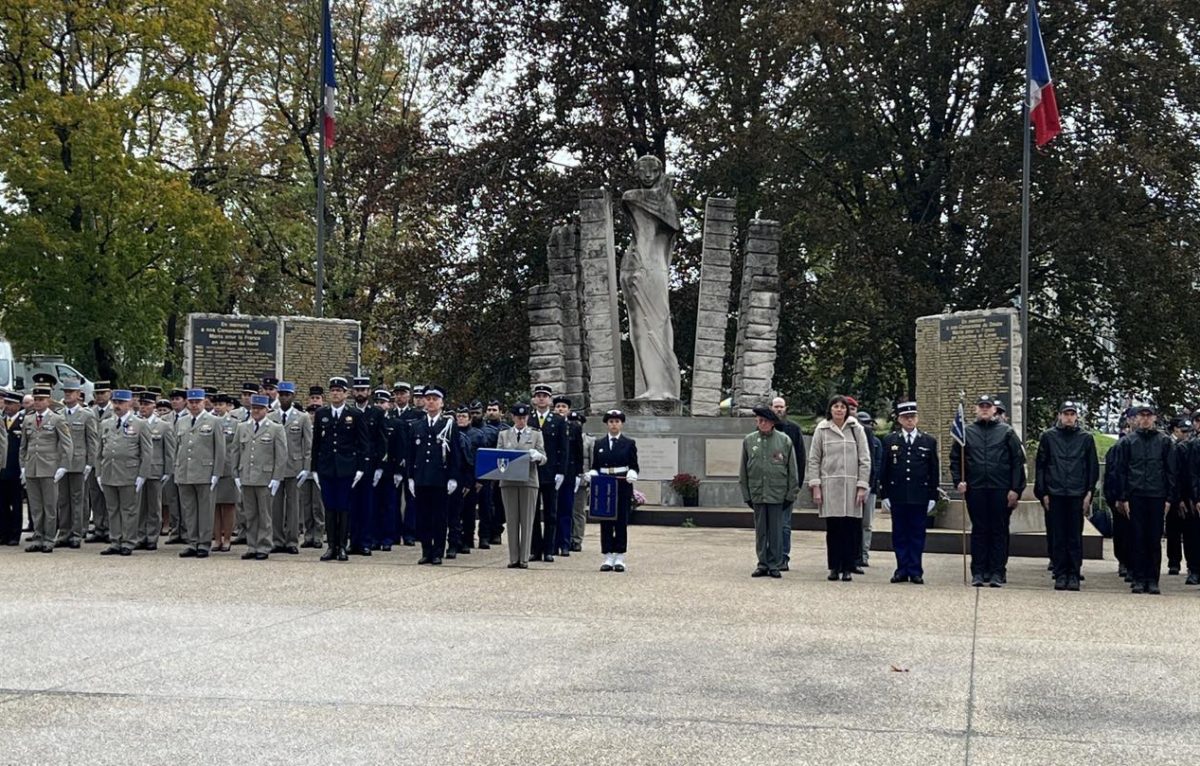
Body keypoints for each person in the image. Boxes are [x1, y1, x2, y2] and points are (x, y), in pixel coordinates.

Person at [949, 395, 1026, 587]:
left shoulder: (1006, 432)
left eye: (988, 406)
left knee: (999, 531)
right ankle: (979, 571)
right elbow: (956, 459)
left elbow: (1017, 462)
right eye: (981, 406)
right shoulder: (967, 432)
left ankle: (997, 572)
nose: (984, 409)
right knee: (979, 530)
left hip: (1000, 489)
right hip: (976, 489)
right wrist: (958, 481)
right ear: (976, 409)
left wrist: (1016, 489)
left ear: (994, 410)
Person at [1034, 401, 1100, 591]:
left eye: (1072, 414)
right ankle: (1060, 573)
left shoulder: (1085, 438)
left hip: (1076, 493)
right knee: (1058, 536)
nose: (1069, 417)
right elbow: (1041, 466)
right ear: (1060, 416)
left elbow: (1092, 468)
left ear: (1076, 416)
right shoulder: (1048, 437)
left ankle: (1074, 573)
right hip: (1055, 493)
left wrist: (1089, 493)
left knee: (1074, 536)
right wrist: (1043, 493)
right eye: (1066, 414)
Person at [1111, 403, 1177, 594]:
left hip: (1157, 495)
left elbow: (1171, 471)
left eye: (1149, 415)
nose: (1146, 419)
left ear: (1155, 418)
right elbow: (1120, 471)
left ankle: (1153, 579)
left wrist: (1169, 498)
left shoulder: (1164, 442)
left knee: (1154, 539)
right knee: (1137, 538)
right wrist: (1123, 498)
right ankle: (1139, 578)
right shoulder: (1127, 442)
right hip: (1136, 495)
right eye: (1142, 415)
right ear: (1136, 419)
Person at [806, 395, 871, 581]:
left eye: (843, 407)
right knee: (833, 529)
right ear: (830, 409)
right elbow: (814, 459)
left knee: (850, 528)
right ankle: (834, 567)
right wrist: (815, 486)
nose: (839, 410)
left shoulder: (856, 429)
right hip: (830, 485)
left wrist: (862, 486)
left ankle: (848, 567)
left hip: (851, 486)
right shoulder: (822, 429)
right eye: (836, 406)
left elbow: (865, 459)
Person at [878, 401, 939, 584]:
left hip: (919, 496)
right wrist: (885, 495)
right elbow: (885, 470)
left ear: (917, 418)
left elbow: (933, 470)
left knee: (917, 534)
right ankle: (901, 569)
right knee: (900, 534)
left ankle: (916, 570)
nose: (910, 420)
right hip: (898, 495)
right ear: (899, 419)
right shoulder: (890, 440)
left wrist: (932, 496)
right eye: (906, 417)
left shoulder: (928, 441)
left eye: (912, 417)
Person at [311, 377, 368, 562]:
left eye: (339, 390)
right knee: (329, 507)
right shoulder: (322, 413)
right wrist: (314, 468)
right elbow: (316, 443)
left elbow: (362, 443)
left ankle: (342, 546)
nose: (335, 393)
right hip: (327, 467)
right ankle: (331, 547)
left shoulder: (355, 414)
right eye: (333, 390)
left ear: (346, 393)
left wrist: (361, 468)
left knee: (343, 507)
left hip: (346, 467)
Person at [739, 405, 799, 578]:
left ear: (772, 423)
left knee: (776, 531)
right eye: (759, 421)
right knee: (761, 531)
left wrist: (790, 494)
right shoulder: (749, 440)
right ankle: (762, 563)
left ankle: (775, 563)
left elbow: (792, 470)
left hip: (777, 493)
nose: (762, 423)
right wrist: (746, 495)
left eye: (765, 421)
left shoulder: (784, 440)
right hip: (758, 492)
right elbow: (743, 469)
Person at [406, 385, 459, 565]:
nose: (430, 402)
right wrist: (410, 477)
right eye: (428, 399)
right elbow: (411, 453)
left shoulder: (449, 425)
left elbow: (455, 454)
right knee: (423, 517)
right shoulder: (417, 425)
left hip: (440, 478)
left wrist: (453, 477)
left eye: (434, 399)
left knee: (439, 517)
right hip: (421, 477)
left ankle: (438, 552)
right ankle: (426, 550)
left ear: (441, 403)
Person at [96, 390, 152, 556]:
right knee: (112, 509)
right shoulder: (106, 423)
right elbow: (99, 451)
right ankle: (115, 540)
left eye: (121, 402)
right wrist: (98, 473)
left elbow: (146, 452)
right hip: (109, 472)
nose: (117, 406)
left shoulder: (140, 424)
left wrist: (142, 475)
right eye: (115, 402)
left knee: (129, 510)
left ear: (129, 404)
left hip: (129, 473)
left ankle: (128, 541)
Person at [232, 394, 287, 560]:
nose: (255, 411)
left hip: (265, 477)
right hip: (247, 476)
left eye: (259, 408)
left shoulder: (275, 428)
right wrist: (236, 474)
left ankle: (264, 545)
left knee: (265, 514)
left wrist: (276, 478)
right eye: (253, 408)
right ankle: (252, 545)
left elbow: (281, 455)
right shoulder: (242, 427)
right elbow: (235, 451)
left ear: (267, 410)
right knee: (250, 514)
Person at [587, 409, 641, 572]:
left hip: (622, 483)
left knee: (621, 521)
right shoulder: (599, 444)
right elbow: (595, 465)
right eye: (611, 422)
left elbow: (634, 465)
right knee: (606, 520)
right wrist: (592, 473)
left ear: (621, 424)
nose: (614, 424)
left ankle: (620, 556)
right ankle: (608, 555)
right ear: (607, 424)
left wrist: (633, 473)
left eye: (617, 421)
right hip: (604, 484)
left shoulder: (629, 443)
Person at [21, 385, 73, 553]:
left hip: (50, 467)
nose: (37, 402)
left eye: (41, 400)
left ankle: (49, 538)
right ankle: (38, 536)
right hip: (32, 467)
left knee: (49, 506)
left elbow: (67, 444)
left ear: (48, 401)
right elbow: (24, 445)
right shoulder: (28, 419)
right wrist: (22, 466)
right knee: (35, 506)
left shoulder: (56, 419)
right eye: (35, 399)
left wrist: (64, 465)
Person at [174, 388, 225, 559]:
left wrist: (216, 473)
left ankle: (204, 543)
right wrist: (177, 469)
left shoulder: (214, 421)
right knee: (189, 510)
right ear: (187, 403)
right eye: (191, 402)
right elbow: (178, 447)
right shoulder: (182, 421)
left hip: (205, 472)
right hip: (185, 472)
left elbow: (220, 449)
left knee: (205, 510)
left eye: (197, 402)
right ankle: (192, 542)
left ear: (204, 402)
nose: (194, 405)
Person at [497, 403, 545, 568]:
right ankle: (513, 558)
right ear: (513, 417)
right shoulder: (504, 435)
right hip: (509, 481)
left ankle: (524, 557)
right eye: (518, 417)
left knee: (527, 520)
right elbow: (498, 456)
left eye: (524, 418)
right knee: (511, 520)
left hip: (529, 480)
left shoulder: (536, 434)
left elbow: (544, 457)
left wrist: (538, 456)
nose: (521, 420)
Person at [266, 381, 310, 555]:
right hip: (276, 468)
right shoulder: (271, 417)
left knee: (293, 505)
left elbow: (307, 444)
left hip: (295, 467)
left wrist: (306, 467)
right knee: (275, 506)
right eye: (282, 394)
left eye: (287, 394)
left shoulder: (302, 417)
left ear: (293, 396)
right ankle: (277, 540)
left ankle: (292, 540)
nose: (284, 397)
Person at [56, 378, 99, 549]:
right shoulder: (59, 414)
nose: (67, 395)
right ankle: (64, 531)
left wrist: (90, 462)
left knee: (77, 498)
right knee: (63, 499)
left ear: (78, 395)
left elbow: (92, 441)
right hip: (62, 462)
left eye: (71, 392)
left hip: (79, 462)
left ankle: (76, 532)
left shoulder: (87, 415)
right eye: (65, 392)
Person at [528, 384, 567, 562]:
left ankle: (549, 549)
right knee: (533, 513)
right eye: (539, 395)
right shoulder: (528, 419)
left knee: (551, 513)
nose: (541, 398)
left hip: (551, 472)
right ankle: (535, 549)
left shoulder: (558, 420)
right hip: (531, 472)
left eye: (545, 396)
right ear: (534, 399)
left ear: (550, 400)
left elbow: (563, 449)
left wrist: (561, 472)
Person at [347, 377, 386, 556]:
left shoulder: (377, 413)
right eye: (357, 390)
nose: (360, 393)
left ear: (369, 392)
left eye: (364, 390)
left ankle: (365, 542)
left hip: (369, 465)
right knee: (352, 505)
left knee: (367, 505)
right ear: (353, 392)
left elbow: (381, 441)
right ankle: (352, 541)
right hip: (351, 465)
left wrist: (379, 466)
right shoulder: (348, 412)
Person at [134, 391, 175, 551]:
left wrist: (167, 470)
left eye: (147, 404)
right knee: (138, 506)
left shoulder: (163, 426)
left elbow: (169, 450)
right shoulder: (134, 423)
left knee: (154, 506)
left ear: (153, 406)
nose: (143, 407)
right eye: (142, 404)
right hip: (137, 470)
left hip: (155, 470)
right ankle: (139, 535)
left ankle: (152, 537)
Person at [770, 397, 806, 571]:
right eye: (776, 407)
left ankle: (783, 557)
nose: (778, 410)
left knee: (784, 524)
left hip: (787, 486)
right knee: (769, 525)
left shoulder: (793, 429)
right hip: (768, 487)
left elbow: (800, 459)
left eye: (781, 407)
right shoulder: (764, 428)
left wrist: (797, 484)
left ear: (786, 408)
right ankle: (769, 557)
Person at [553, 395, 583, 557]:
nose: (560, 409)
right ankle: (552, 544)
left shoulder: (574, 427)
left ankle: (565, 543)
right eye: (558, 406)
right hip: (553, 473)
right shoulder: (549, 425)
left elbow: (578, 453)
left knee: (566, 510)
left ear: (568, 410)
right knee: (552, 511)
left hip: (569, 474)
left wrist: (578, 473)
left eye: (563, 407)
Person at [1165, 415, 1194, 578]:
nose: (1186, 434)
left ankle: (1191, 564)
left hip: (1189, 496)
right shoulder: (1172, 447)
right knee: (1173, 532)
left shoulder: (1191, 447)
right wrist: (1177, 498)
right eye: (1183, 431)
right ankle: (1174, 562)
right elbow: (1173, 475)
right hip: (1176, 496)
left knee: (1190, 534)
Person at [86, 380, 114, 544]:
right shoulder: (90, 412)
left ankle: (111, 528)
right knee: (95, 495)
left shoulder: (115, 410)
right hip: (94, 458)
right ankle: (99, 527)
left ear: (109, 393)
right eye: (97, 393)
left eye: (103, 393)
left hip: (110, 458)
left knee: (109, 496)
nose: (100, 396)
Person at [211, 394, 240, 552]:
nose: (217, 407)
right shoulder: (208, 421)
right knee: (214, 506)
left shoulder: (235, 423)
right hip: (212, 468)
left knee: (228, 506)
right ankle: (216, 539)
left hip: (228, 468)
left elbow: (236, 447)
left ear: (227, 406)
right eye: (215, 404)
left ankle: (227, 538)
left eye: (221, 404)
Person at [855, 410, 882, 569]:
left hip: (870, 488)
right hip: (854, 487)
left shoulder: (877, 442)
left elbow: (877, 465)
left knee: (866, 523)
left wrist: (870, 484)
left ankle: (864, 554)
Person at [163, 388, 188, 544]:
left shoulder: (188, 417)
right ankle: (175, 530)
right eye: (172, 399)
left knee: (185, 500)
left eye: (178, 399)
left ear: (185, 401)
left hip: (185, 462)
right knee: (172, 499)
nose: (174, 402)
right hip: (170, 462)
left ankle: (186, 531)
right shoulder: (165, 419)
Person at [1, 390, 24, 545]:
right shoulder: (1, 419)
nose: (7, 406)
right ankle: (3, 532)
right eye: (6, 403)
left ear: (18, 405)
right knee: (1, 503)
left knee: (16, 504)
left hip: (16, 468)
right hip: (2, 468)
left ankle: (15, 534)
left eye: (10, 404)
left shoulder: (24, 421)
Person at [569, 410, 594, 553]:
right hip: (567, 479)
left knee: (578, 511)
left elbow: (592, 461)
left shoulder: (589, 440)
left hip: (582, 480)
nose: (574, 425)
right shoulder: (566, 437)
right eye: (572, 422)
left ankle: (577, 539)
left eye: (577, 422)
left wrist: (589, 478)